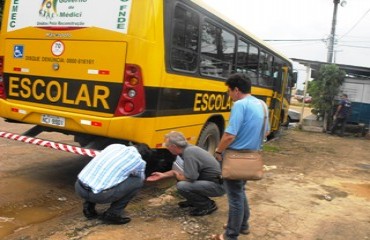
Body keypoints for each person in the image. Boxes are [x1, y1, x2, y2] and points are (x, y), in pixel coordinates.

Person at [212, 73, 269, 240]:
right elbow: (266, 132)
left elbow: (230, 135)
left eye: (229, 92)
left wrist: (218, 151)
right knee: (240, 191)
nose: (229, 96)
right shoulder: (262, 105)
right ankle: (242, 225)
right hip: (251, 158)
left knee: (235, 197)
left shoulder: (240, 105)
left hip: (235, 158)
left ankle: (230, 235)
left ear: (236, 90)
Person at [146, 131, 225, 216]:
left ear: (174, 146)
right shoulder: (188, 149)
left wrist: (176, 174)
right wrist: (163, 175)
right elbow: (183, 172)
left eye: (167, 146)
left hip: (217, 185)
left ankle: (207, 205)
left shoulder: (189, 153)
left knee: (182, 185)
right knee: (181, 180)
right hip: (210, 181)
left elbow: (190, 178)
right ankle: (194, 201)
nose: (167, 148)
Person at [75, 143, 152, 224]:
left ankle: (88, 207)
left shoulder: (114, 146)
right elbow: (140, 178)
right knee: (137, 182)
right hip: (99, 196)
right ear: (143, 156)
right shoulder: (139, 161)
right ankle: (112, 214)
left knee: (99, 177)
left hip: (79, 187)